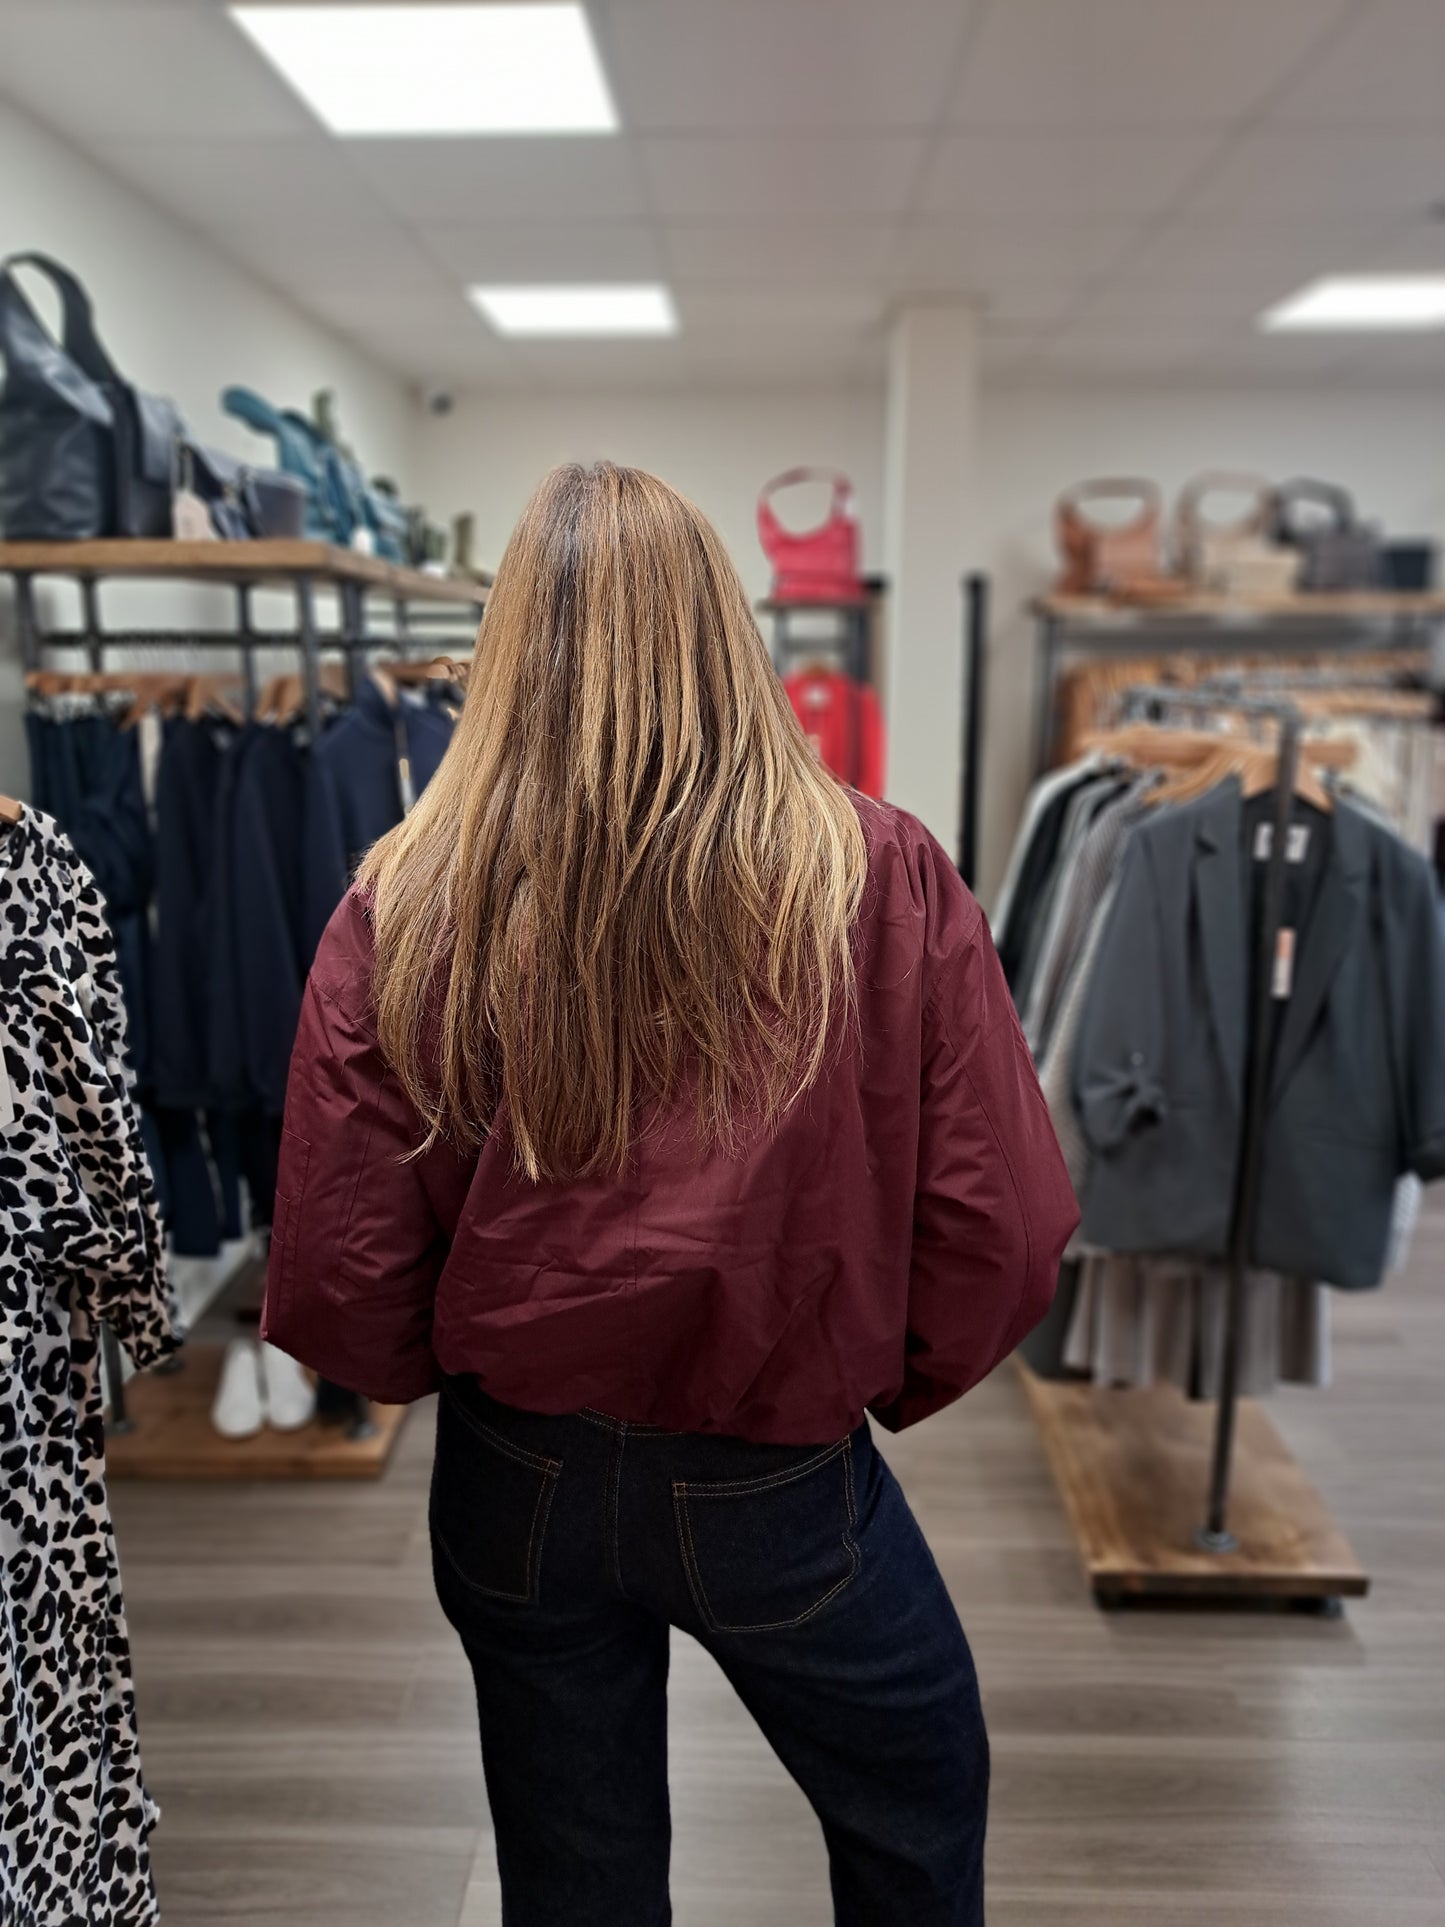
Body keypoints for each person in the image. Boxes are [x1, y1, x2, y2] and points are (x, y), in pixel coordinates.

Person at [264, 461, 1078, 1926]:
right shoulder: (869, 871)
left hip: (516, 1469)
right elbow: (996, 1219)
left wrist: (423, 1365)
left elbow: (343, 1244)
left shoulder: (409, 892)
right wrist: (882, 1375)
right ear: (726, 632)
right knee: (916, 1812)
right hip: (772, 1469)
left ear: (505, 646)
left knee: (573, 1878)